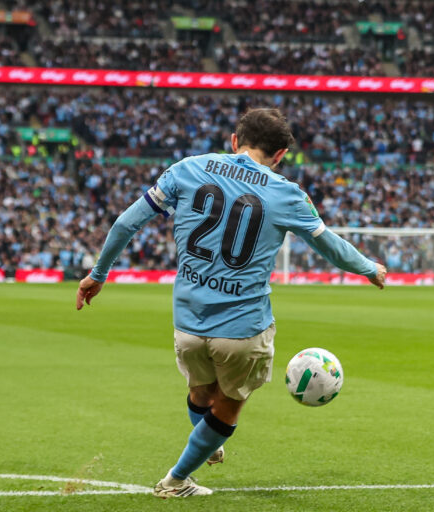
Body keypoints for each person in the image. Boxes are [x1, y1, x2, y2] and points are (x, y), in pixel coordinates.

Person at [75, 108, 387, 498]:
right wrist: (369, 268)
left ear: (235, 140)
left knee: (200, 394)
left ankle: (204, 442)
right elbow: (329, 245)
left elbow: (125, 223)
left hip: (187, 322)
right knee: (227, 406)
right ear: (279, 156)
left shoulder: (188, 168)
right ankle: (175, 480)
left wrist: (98, 275)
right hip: (243, 327)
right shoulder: (288, 193)